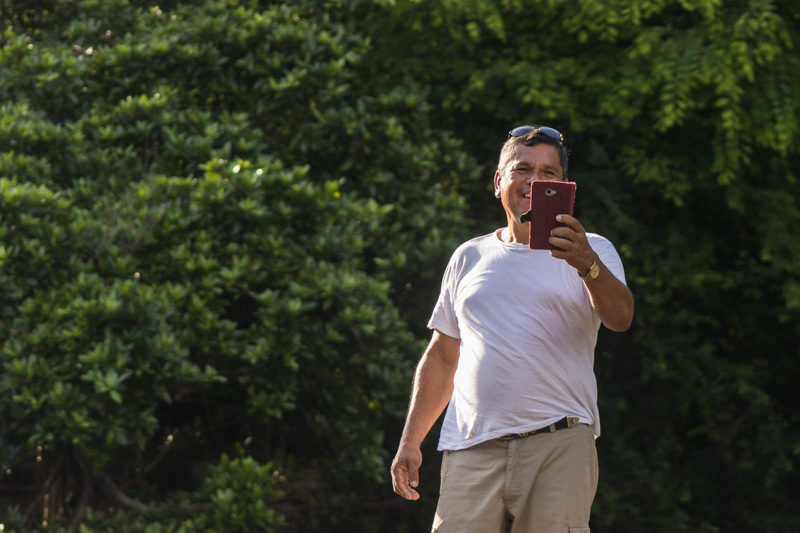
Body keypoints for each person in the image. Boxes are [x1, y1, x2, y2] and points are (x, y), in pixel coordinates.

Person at [390, 125, 634, 533]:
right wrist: (410, 441)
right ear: (499, 181)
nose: (534, 181)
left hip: (559, 441)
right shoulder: (468, 256)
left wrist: (586, 263)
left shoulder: (592, 248)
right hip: (471, 446)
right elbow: (443, 355)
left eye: (548, 173)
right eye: (522, 168)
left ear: (565, 188)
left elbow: (621, 318)